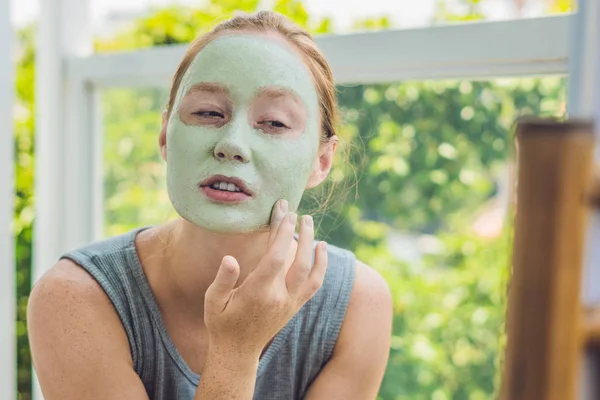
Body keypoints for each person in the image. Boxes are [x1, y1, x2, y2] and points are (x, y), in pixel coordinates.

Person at [27, 10, 392, 400]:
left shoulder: (358, 302)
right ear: (166, 135)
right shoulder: (73, 297)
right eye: (208, 113)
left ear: (322, 161)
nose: (232, 144)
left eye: (274, 123)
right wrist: (236, 351)